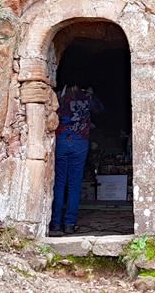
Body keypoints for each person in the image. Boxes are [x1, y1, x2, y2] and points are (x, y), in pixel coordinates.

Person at [49, 84, 104, 236]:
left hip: (61, 140)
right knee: (74, 185)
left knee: (59, 183)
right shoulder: (87, 97)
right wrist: (92, 94)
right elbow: (100, 109)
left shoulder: (58, 95)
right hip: (80, 142)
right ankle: (69, 224)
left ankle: (55, 224)